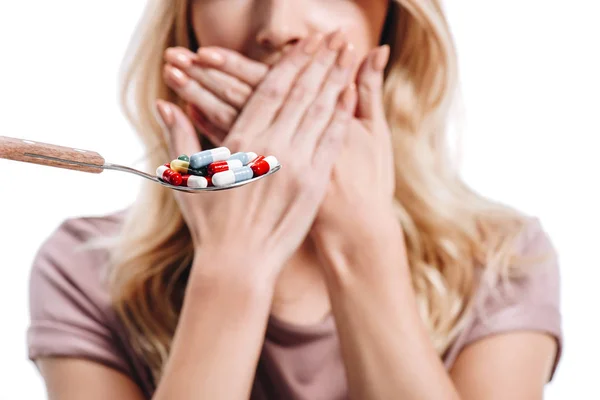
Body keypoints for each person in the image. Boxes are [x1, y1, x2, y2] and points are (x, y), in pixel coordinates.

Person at [27, 0, 562, 399]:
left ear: (392, 23)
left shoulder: (502, 262)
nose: (278, 27)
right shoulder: (84, 268)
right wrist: (232, 266)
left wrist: (361, 245)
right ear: (184, 20)